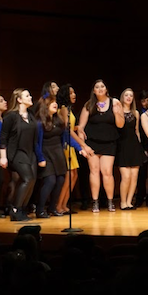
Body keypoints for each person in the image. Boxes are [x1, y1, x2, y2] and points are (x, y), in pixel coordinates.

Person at [77, 79, 125, 213]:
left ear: (106, 89)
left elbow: (121, 125)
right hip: (92, 143)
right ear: (93, 91)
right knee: (94, 171)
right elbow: (80, 128)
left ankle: (110, 202)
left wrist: (116, 113)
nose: (100, 89)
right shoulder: (89, 105)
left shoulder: (115, 102)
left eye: (102, 86)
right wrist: (83, 146)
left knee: (107, 172)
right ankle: (95, 202)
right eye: (97, 87)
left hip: (109, 142)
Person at [34, 95, 82, 219]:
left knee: (60, 181)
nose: (55, 104)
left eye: (56, 102)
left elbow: (67, 137)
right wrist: (40, 158)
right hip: (46, 153)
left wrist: (80, 149)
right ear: (45, 106)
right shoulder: (40, 123)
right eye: (52, 103)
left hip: (58, 153)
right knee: (50, 181)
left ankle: (52, 208)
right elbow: (36, 143)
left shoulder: (59, 120)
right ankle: (40, 209)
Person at [0, 88, 38, 222]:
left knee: (32, 181)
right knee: (27, 179)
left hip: (29, 153)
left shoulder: (31, 115)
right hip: (16, 153)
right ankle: (14, 209)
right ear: (19, 100)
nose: (30, 97)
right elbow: (3, 137)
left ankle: (21, 209)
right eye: (27, 95)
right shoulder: (11, 116)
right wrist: (3, 156)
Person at [54, 84, 92, 215]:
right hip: (65, 145)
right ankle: (58, 206)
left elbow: (71, 128)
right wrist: (83, 144)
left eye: (74, 92)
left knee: (74, 175)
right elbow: (66, 129)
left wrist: (78, 128)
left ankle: (64, 205)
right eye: (71, 93)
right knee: (69, 176)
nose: (74, 95)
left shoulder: (69, 109)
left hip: (70, 145)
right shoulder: (63, 109)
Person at [117, 88, 144, 210]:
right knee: (126, 176)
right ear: (122, 97)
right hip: (122, 145)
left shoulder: (136, 113)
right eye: (126, 95)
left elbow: (137, 131)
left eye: (131, 96)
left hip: (134, 146)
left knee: (134, 176)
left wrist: (140, 147)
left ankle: (129, 202)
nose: (128, 97)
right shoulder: (117, 111)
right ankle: (123, 202)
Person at [134, 89, 148, 208]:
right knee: (141, 175)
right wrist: (143, 149)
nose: (145, 102)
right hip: (142, 148)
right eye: (143, 100)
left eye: (147, 100)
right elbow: (138, 132)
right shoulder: (138, 113)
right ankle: (140, 197)